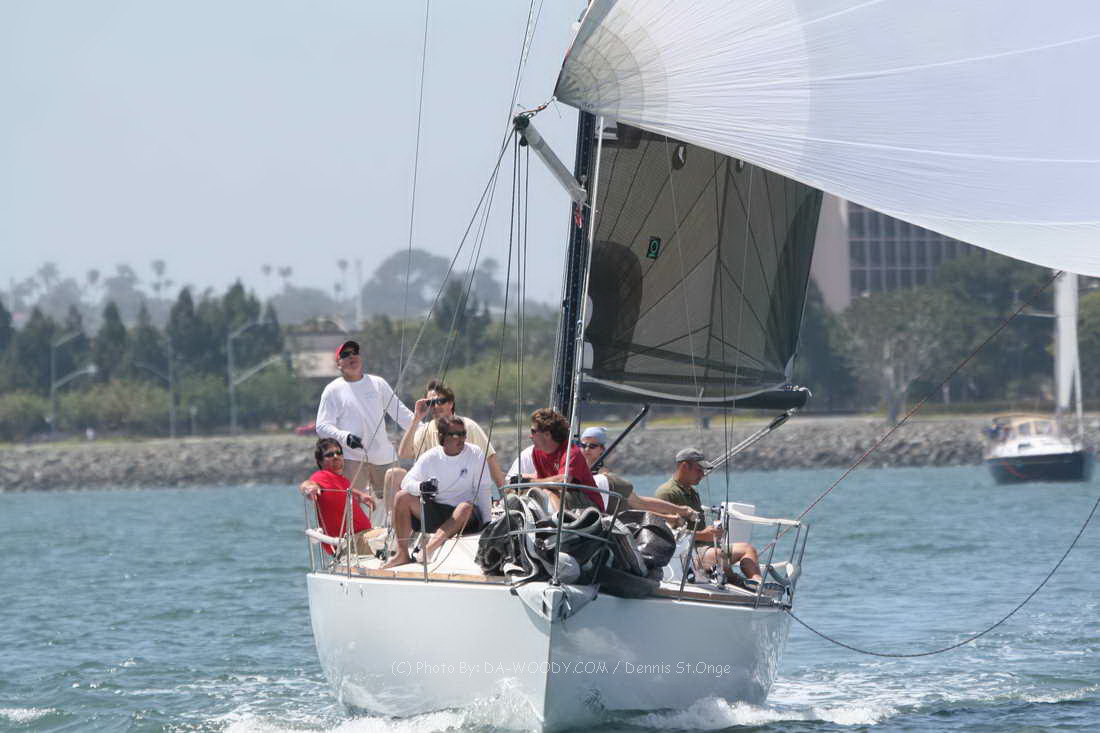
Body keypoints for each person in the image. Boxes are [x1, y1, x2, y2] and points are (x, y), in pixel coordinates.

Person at [384, 415, 496, 568]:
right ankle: (402, 554)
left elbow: (483, 489)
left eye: (463, 434)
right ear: (442, 437)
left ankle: (428, 549)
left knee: (464, 507)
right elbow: (406, 482)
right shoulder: (430, 457)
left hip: (466, 516)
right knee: (402, 496)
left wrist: (487, 523)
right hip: (436, 512)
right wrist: (421, 487)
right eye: (455, 435)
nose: (461, 439)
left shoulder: (475, 454)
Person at [315, 339, 414, 508]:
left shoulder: (378, 383)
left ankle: (394, 527)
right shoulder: (332, 390)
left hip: (384, 457)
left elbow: (401, 413)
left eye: (355, 353)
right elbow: (322, 426)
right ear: (338, 364)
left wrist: (426, 430)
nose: (352, 357)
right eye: (345, 355)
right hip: (352, 459)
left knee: (396, 505)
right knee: (352, 507)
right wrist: (345, 437)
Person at [384, 380, 505, 515]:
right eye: (431, 403)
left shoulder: (469, 427)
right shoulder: (424, 431)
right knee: (393, 475)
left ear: (451, 403)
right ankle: (392, 525)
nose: (436, 406)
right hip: (431, 499)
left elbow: (490, 459)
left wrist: (504, 493)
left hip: (463, 499)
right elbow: (404, 453)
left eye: (440, 401)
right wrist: (416, 419)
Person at [655, 447, 763, 587]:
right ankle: (736, 580)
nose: (703, 475)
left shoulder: (692, 492)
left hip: (706, 549)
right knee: (719, 555)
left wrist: (712, 533)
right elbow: (665, 532)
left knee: (748, 549)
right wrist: (703, 535)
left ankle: (758, 584)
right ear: (684, 466)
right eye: (699, 470)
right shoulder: (666, 493)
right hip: (688, 553)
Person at [578, 426, 696, 525]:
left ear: (602, 449)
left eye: (592, 446)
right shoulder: (574, 468)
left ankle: (679, 511)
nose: (586, 449)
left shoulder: (605, 475)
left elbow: (638, 504)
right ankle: (674, 515)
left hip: (607, 516)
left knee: (637, 503)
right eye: (583, 445)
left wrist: (673, 514)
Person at [299, 438, 376, 555]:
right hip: (349, 544)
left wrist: (360, 495)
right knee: (395, 538)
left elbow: (342, 491)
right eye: (329, 455)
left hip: (361, 539)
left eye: (339, 453)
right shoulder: (321, 476)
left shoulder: (343, 480)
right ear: (320, 461)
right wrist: (309, 488)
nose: (336, 456)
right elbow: (308, 484)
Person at [522, 408, 604, 512]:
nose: (530, 436)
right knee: (530, 492)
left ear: (547, 434)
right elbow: (541, 482)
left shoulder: (572, 451)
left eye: (533, 431)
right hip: (564, 499)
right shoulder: (537, 452)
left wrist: (530, 482)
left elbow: (563, 480)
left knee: (548, 492)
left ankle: (560, 519)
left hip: (590, 506)